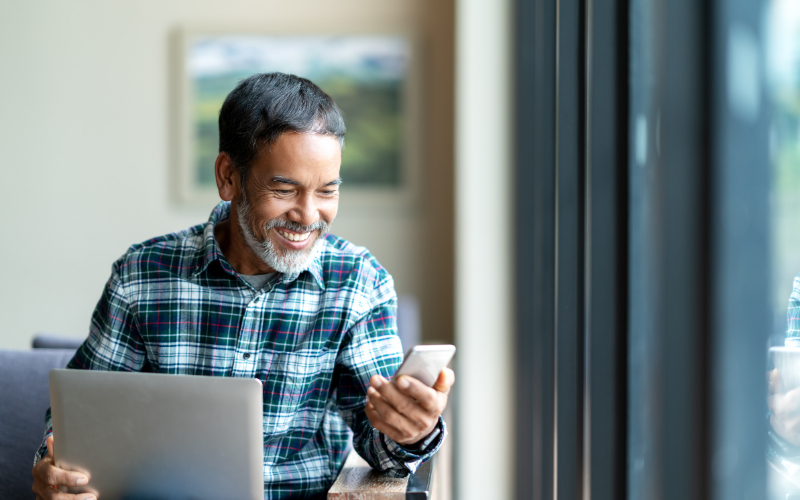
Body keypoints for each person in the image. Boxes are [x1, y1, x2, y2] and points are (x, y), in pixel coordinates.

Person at [30, 72, 454, 500]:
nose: (308, 216)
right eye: (284, 188)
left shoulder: (358, 283)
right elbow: (81, 421)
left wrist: (412, 430)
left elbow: (382, 449)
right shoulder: (141, 276)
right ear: (228, 176)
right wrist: (54, 470)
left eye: (327, 191)